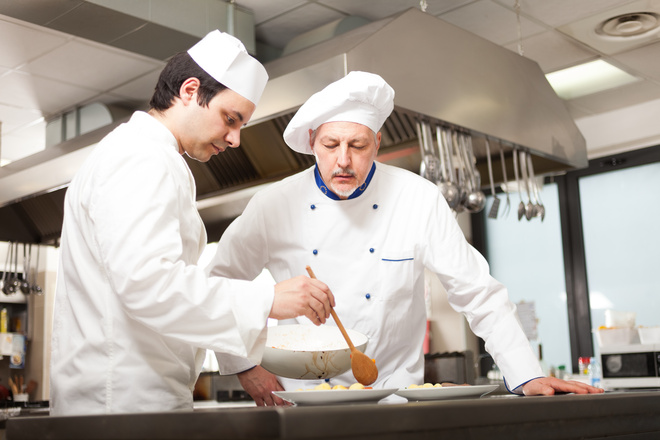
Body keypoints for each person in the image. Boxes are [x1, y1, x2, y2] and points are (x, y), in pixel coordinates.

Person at [206, 71, 603, 406]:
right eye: (330, 145)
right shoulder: (273, 204)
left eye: (358, 145)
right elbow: (220, 282)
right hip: (302, 399)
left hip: (392, 397)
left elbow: (475, 290)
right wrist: (243, 365)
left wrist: (526, 375)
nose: (343, 159)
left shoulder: (417, 198)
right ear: (312, 142)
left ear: (377, 143)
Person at [50, 30, 335, 416]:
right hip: (122, 406)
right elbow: (148, 285)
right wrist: (268, 299)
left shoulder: (149, 154)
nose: (235, 139)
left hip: (129, 400)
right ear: (189, 90)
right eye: (230, 119)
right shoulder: (142, 158)